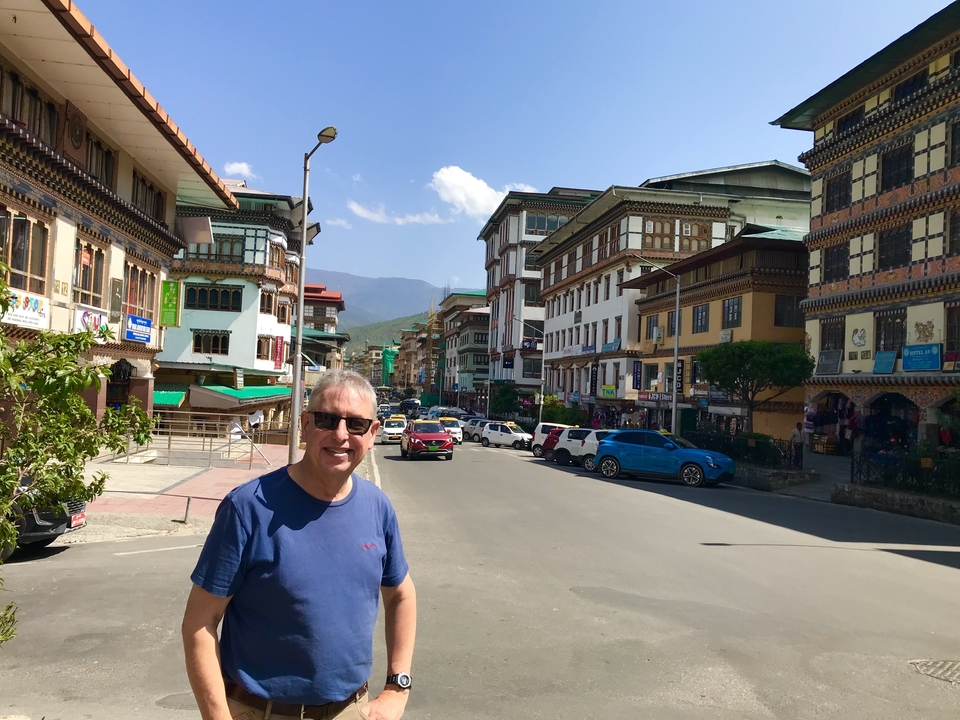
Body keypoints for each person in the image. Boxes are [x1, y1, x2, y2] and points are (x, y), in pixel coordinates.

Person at [182, 370, 417, 720]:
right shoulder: (247, 508)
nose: (341, 434)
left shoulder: (377, 507)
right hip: (260, 711)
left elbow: (400, 595)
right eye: (327, 420)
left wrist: (398, 687)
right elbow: (199, 623)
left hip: (351, 710)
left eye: (356, 424)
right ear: (306, 425)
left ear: (372, 434)